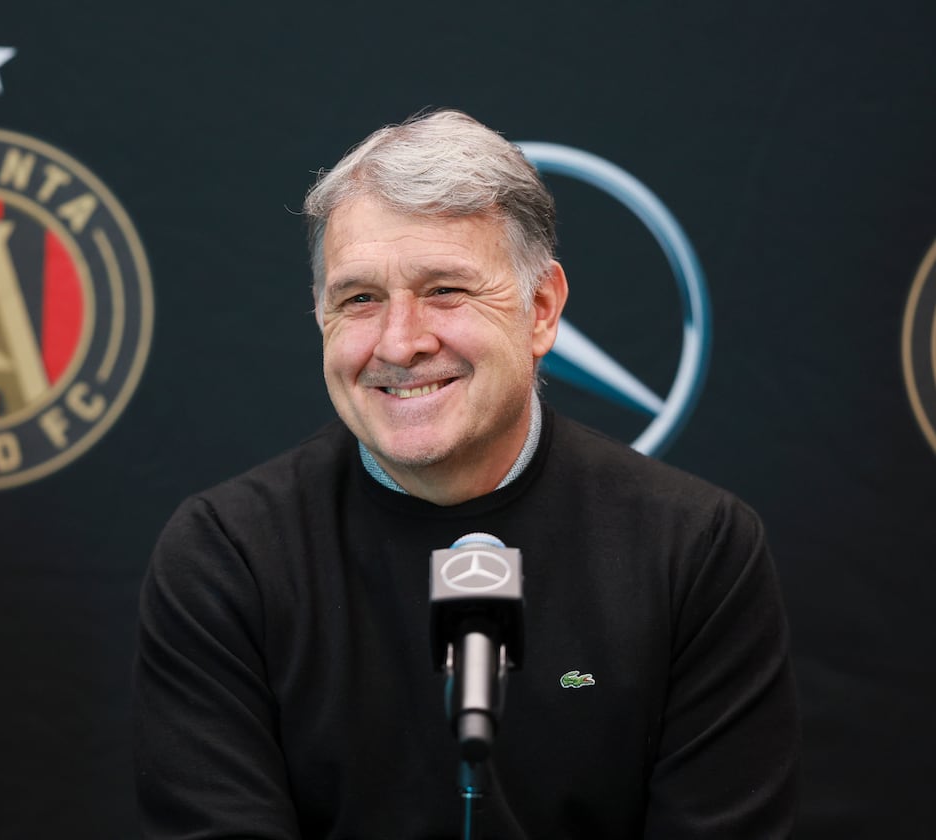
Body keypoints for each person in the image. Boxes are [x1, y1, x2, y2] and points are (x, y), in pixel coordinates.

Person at [132, 109, 799, 838]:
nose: (400, 342)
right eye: (359, 299)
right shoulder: (227, 556)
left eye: (445, 289)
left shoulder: (696, 549)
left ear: (542, 310)